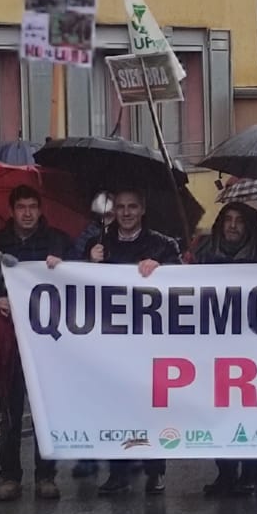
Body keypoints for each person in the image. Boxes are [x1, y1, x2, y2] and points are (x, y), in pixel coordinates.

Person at [90, 189, 181, 496]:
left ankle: (156, 470)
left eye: (132, 207)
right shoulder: (99, 243)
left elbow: (184, 281)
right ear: (112, 210)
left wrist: (161, 268)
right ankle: (119, 471)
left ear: (142, 210)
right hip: (113, 341)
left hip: (151, 341)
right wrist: (89, 260)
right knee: (116, 405)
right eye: (120, 207)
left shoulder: (163, 244)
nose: (126, 213)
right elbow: (70, 279)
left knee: (151, 406)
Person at [0, 185, 72, 501]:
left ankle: (46, 476)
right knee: (9, 413)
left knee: (43, 413)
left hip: (46, 342)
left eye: (32, 206)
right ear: (12, 210)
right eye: (21, 206)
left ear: (40, 209)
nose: (26, 212)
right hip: (9, 339)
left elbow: (78, 279)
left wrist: (61, 266)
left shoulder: (57, 241)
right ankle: (9, 476)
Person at [196, 202, 257, 498]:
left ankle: (250, 474)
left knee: (251, 412)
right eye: (228, 219)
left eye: (239, 221)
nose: (233, 226)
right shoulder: (202, 256)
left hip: (253, 350)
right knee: (217, 412)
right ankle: (225, 472)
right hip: (214, 349)